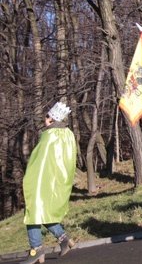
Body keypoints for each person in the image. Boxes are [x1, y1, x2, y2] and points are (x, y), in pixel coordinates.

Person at [21, 102, 76, 264]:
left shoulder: (50, 135)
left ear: (52, 119)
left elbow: (39, 160)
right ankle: (63, 238)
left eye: (47, 116)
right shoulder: (68, 134)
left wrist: (29, 179)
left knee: (33, 212)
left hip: (41, 179)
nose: (44, 119)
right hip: (56, 180)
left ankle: (36, 249)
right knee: (42, 210)